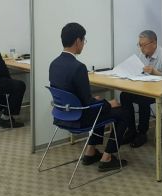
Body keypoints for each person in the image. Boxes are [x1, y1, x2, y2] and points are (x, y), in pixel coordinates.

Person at [49, 22, 128, 172]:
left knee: (100, 105)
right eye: (83, 41)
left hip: (62, 115)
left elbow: (81, 98)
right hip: (79, 118)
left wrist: (98, 101)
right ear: (77, 41)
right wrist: (108, 103)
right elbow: (88, 104)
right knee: (122, 112)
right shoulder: (78, 67)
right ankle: (107, 158)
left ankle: (90, 151)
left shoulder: (54, 64)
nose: (83, 45)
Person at [120, 30, 162, 148]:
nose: (141, 48)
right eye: (139, 45)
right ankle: (131, 130)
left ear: (154, 43)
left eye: (144, 45)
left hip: (159, 91)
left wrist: (155, 72)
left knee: (143, 99)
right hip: (145, 86)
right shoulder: (141, 55)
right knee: (124, 95)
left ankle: (142, 133)